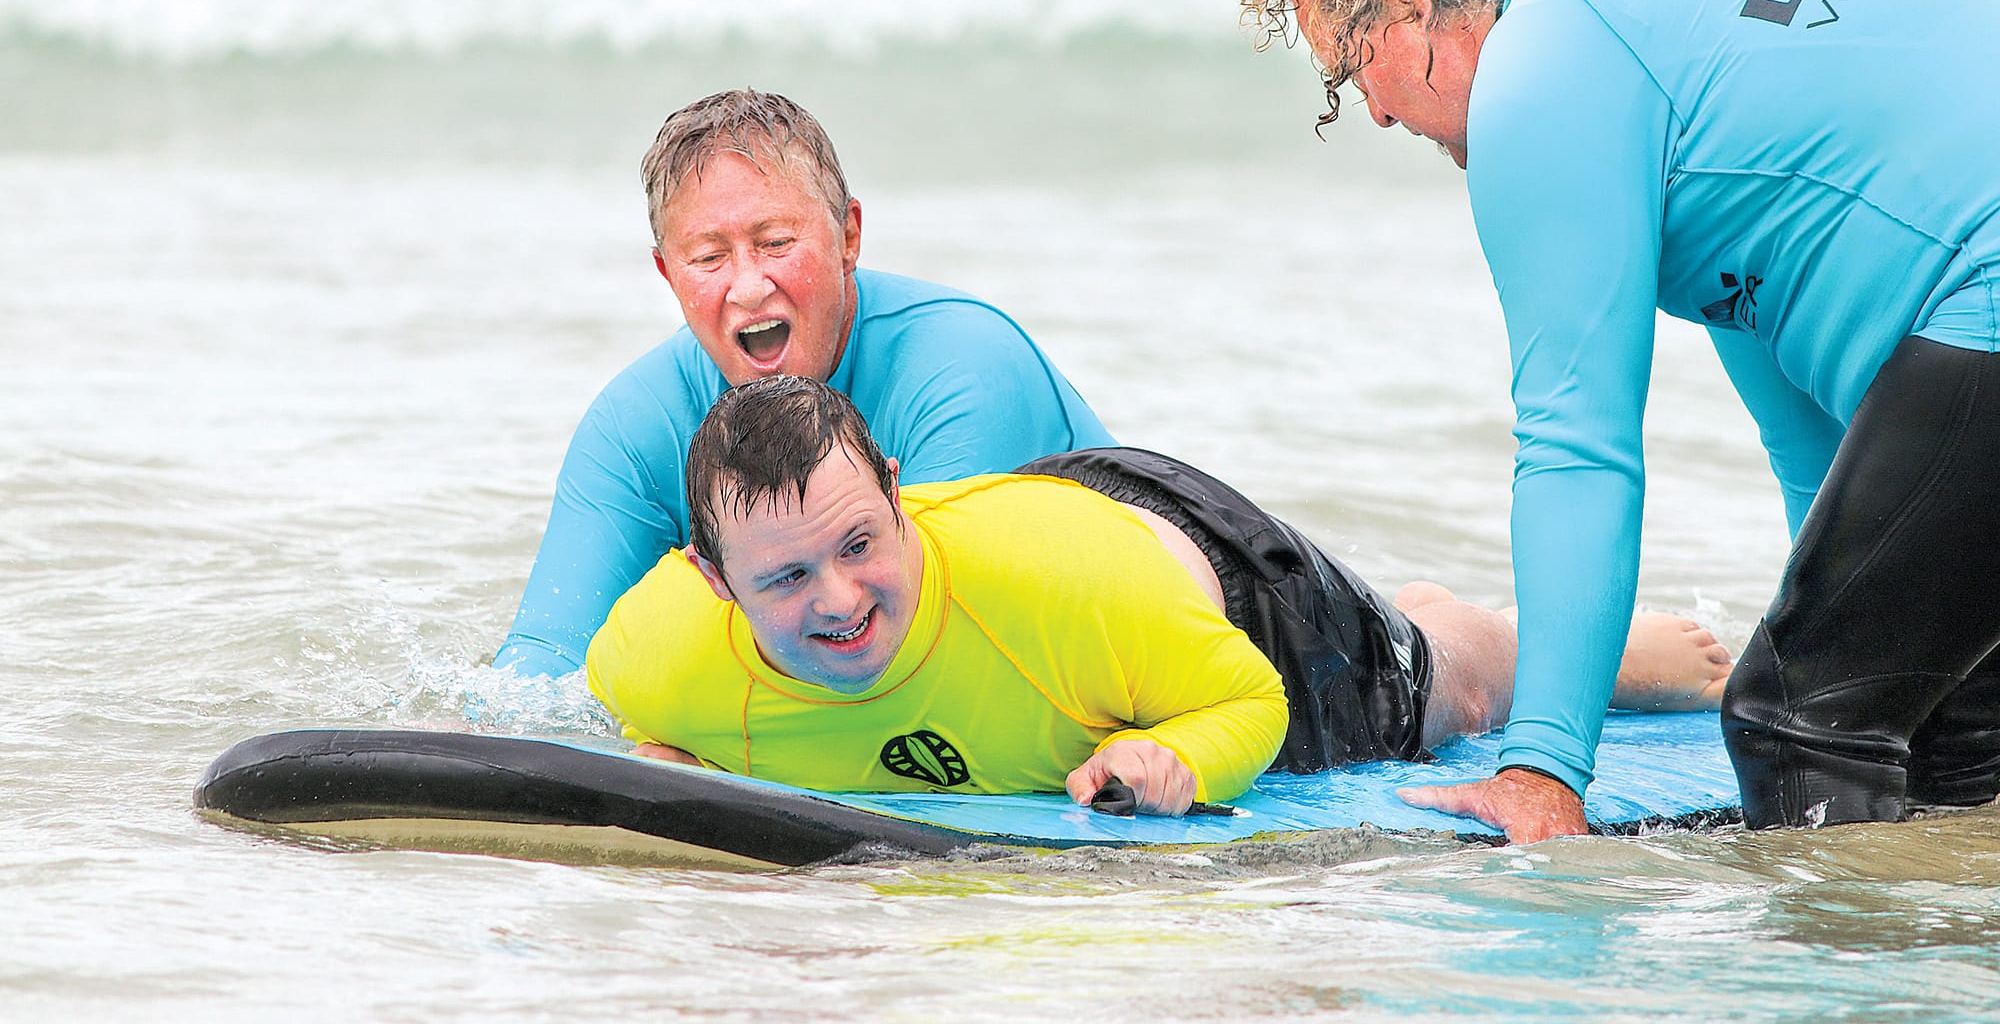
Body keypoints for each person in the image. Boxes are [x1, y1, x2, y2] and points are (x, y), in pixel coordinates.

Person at [1240, 0, 2000, 837]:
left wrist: (1541, 766)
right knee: (1933, 710)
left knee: (1798, 720)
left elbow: (1575, 445)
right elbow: (1811, 437)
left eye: (1349, 68)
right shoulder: (1654, 9)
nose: (1371, 114)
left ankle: (1843, 987)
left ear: (1408, 5)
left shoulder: (1542, 68)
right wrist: (1839, 609)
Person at [585, 376, 1732, 814]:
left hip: (1210, 588)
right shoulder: (660, 649)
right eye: (784, 577)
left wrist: (1183, 755)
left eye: (857, 542)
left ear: (894, 491)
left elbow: (1246, 698)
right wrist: (662, 745)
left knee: (1451, 691)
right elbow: (606, 704)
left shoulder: (1055, 596)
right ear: (711, 581)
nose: (838, 597)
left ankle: (1492, 629)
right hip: (1078, 559)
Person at [494, 90, 1113, 678]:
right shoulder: (637, 423)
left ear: (848, 236)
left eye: (776, 243)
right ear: (667, 272)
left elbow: (901, 646)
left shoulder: (965, 370)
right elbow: (540, 671)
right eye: (708, 258)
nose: (748, 286)